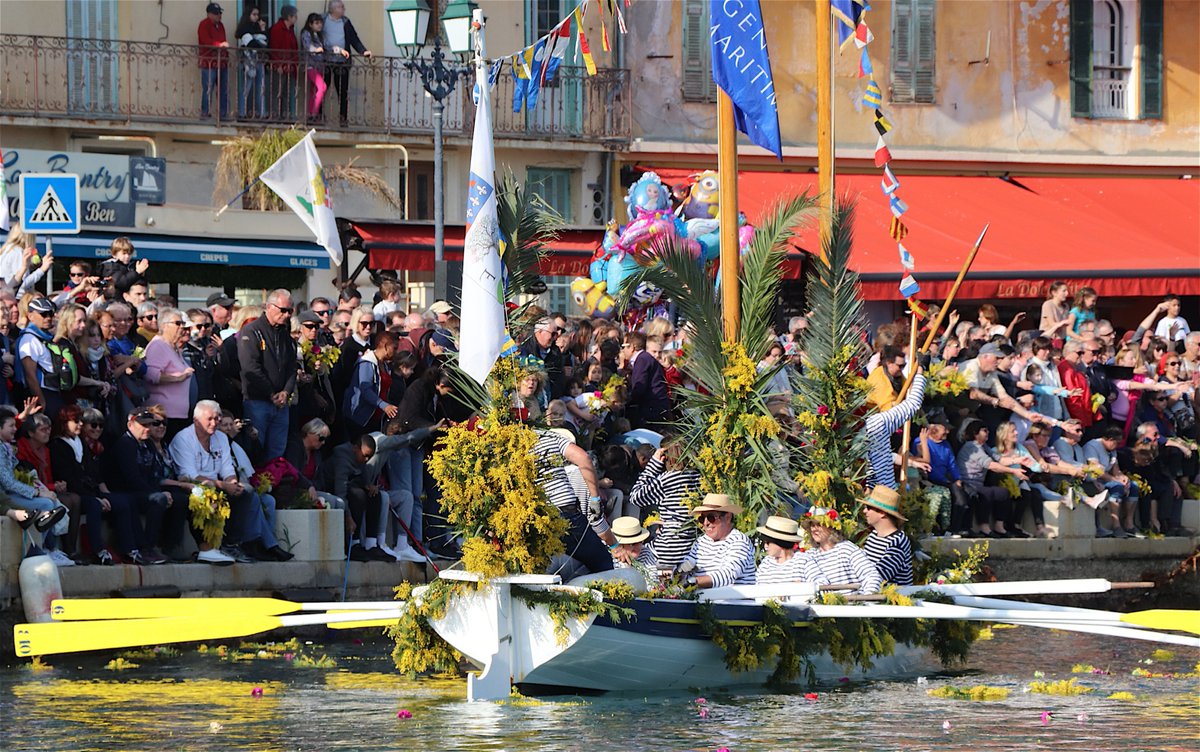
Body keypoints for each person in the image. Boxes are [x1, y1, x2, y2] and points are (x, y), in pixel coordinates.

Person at [169, 400, 257, 564]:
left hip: (217, 484)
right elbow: (190, 476)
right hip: (191, 487)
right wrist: (222, 485)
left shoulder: (221, 437)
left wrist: (232, 483)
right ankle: (206, 548)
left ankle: (230, 544)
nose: (214, 423)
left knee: (246, 491)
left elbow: (227, 468)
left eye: (217, 418)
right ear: (196, 421)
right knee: (205, 494)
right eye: (209, 419)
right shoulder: (183, 439)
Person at [532, 428, 615, 576]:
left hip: (531, 519)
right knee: (604, 564)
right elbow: (584, 458)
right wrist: (615, 545)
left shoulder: (502, 443)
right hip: (564, 516)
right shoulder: (547, 436)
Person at [0, 409, 71, 564]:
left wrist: (43, 489)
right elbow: (7, 482)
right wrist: (37, 492)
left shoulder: (5, 446)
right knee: (46, 504)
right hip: (4, 496)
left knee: (51, 502)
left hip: (9, 493)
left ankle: (46, 549)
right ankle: (40, 550)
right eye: (11, 426)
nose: (15, 429)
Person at [237, 290, 297, 461]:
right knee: (256, 449)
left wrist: (286, 391)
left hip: (281, 403)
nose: (286, 315)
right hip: (258, 401)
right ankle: (258, 486)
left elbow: (292, 367)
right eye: (283, 310)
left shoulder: (285, 334)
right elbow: (250, 368)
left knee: (277, 452)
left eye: (290, 311)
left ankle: (274, 485)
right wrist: (271, 394)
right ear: (269, 307)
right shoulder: (251, 331)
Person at [319, 433, 393, 561]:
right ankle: (354, 544)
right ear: (355, 448)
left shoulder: (360, 459)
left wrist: (369, 485)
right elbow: (340, 492)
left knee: (375, 495)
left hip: (350, 487)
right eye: (364, 456)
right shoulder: (342, 459)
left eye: (369, 457)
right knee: (357, 495)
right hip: (331, 489)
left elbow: (363, 478)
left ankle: (371, 544)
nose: (366, 460)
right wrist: (348, 517)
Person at [627, 444, 701, 572]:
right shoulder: (699, 478)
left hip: (669, 549)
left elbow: (635, 497)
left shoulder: (668, 479)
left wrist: (652, 466)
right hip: (694, 547)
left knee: (629, 558)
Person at [677, 494, 755, 588]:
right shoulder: (701, 542)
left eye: (711, 517)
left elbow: (728, 575)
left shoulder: (739, 541)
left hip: (733, 601)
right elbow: (688, 564)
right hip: (703, 599)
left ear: (727, 517)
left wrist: (693, 582)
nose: (706, 523)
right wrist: (678, 573)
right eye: (702, 519)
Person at [800, 506, 881, 594]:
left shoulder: (847, 549)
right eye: (812, 525)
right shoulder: (810, 555)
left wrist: (867, 600)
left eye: (819, 524)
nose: (814, 529)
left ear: (831, 528)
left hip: (852, 604)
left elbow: (871, 576)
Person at [143, 308, 195, 439]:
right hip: (165, 415)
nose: (182, 327)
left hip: (179, 415)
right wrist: (178, 378)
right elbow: (149, 374)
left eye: (183, 323)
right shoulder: (158, 345)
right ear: (164, 325)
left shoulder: (173, 346)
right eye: (178, 323)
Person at [322, 0, 372, 127]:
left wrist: (363, 51)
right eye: (341, 7)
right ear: (332, 9)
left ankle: (343, 119)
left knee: (343, 91)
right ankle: (317, 116)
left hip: (342, 62)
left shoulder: (345, 22)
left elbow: (354, 39)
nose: (344, 8)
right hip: (325, 61)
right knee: (322, 89)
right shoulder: (322, 19)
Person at [860, 485, 913, 586]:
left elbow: (880, 576)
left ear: (882, 513)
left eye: (869, 508)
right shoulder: (873, 536)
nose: (864, 511)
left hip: (894, 598)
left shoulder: (898, 542)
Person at [623, 330, 670, 430]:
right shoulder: (645, 358)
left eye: (624, 347)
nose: (623, 351)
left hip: (653, 409)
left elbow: (639, 388)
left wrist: (626, 401)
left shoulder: (642, 359)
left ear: (632, 347)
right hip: (657, 407)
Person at [198, 2, 230, 120]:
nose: (219, 16)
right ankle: (205, 113)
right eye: (216, 14)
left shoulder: (221, 26)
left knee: (224, 89)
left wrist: (226, 57)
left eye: (220, 13)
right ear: (209, 14)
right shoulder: (204, 25)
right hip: (209, 63)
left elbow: (224, 40)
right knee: (208, 89)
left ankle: (223, 114)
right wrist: (220, 45)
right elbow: (206, 41)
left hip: (221, 62)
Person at [267, 5, 300, 121]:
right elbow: (274, 48)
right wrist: (278, 65)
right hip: (280, 67)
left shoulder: (290, 30)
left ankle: (285, 116)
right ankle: (275, 115)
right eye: (295, 16)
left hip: (290, 67)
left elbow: (293, 49)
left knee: (286, 93)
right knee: (277, 92)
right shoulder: (277, 29)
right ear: (289, 17)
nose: (296, 18)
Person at [235, 5, 268, 119]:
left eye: (257, 15)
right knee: (246, 88)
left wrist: (262, 31)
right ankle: (242, 113)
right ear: (248, 15)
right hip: (248, 62)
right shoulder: (244, 29)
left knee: (261, 88)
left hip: (259, 61)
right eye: (254, 14)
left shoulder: (258, 28)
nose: (256, 17)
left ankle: (262, 113)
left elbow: (265, 44)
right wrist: (259, 40)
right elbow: (251, 44)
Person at [754, 515, 806, 585]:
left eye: (768, 543)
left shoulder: (803, 561)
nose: (765, 546)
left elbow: (820, 584)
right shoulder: (766, 564)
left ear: (780, 543)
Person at [521, 317, 566, 400]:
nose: (555, 338)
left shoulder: (555, 352)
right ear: (540, 332)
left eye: (556, 335)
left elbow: (559, 379)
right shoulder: (524, 351)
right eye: (552, 334)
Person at [300, 13, 327, 122]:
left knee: (314, 90)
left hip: (319, 66)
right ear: (310, 24)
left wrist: (339, 50)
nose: (319, 25)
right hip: (310, 65)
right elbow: (308, 46)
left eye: (320, 23)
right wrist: (316, 50)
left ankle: (310, 114)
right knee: (322, 87)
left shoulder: (319, 35)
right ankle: (314, 113)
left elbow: (328, 46)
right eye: (316, 23)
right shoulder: (306, 33)